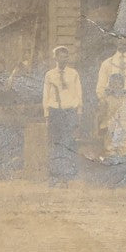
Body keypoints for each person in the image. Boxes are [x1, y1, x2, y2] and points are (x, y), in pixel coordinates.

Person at [42, 46, 83, 187]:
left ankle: (65, 177)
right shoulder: (49, 75)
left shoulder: (73, 74)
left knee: (67, 144)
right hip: (55, 112)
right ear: (55, 58)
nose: (63, 59)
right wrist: (47, 114)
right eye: (60, 56)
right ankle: (54, 177)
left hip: (69, 112)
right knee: (54, 144)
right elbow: (46, 96)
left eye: (66, 56)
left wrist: (78, 112)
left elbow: (79, 94)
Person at [98, 72, 126, 162]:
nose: (117, 86)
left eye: (119, 83)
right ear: (110, 85)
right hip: (111, 130)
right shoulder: (107, 100)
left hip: (125, 130)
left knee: (125, 152)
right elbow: (102, 116)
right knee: (111, 152)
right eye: (114, 84)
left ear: (123, 85)